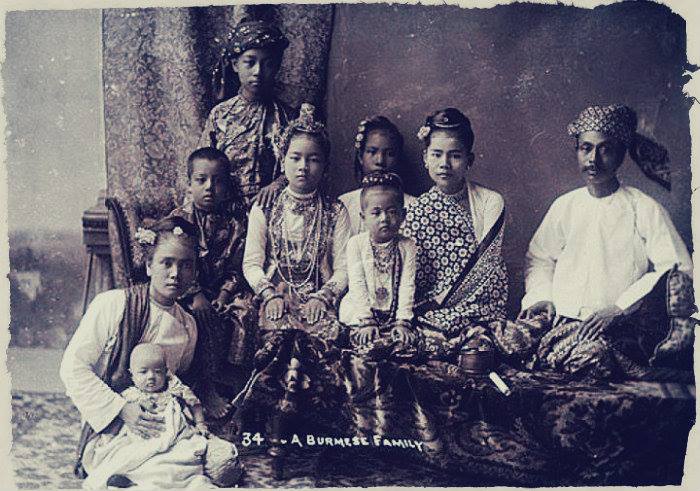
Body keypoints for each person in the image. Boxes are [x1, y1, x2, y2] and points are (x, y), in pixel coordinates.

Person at [518, 104, 695, 379]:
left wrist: (621, 307)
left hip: (616, 329)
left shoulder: (642, 207)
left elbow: (676, 268)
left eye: (606, 149)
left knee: (590, 359)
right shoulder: (566, 206)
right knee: (509, 343)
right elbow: (539, 257)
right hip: (561, 321)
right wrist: (543, 296)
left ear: (622, 154)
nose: (593, 160)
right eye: (586, 148)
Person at [240, 103, 350, 476]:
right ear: (282, 160)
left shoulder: (336, 212)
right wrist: (269, 294)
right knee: (280, 336)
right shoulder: (265, 206)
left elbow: (345, 267)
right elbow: (252, 262)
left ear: (325, 165)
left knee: (312, 341)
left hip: (317, 296)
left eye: (314, 159)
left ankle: (298, 441)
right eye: (296, 158)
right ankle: (274, 440)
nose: (304, 167)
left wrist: (325, 296)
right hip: (275, 294)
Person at [401, 108, 508, 360]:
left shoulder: (490, 201)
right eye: (436, 154)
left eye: (455, 156)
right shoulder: (416, 211)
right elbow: (413, 274)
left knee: (484, 347)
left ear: (469, 160)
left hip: (481, 308)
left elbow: (488, 268)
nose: (444, 164)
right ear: (425, 157)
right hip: (431, 311)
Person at [167, 147, 251, 419]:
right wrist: (196, 294)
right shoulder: (179, 220)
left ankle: (238, 384)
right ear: (189, 183)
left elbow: (239, 265)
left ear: (227, 185)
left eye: (218, 181)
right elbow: (176, 262)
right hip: (186, 291)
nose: (209, 188)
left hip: (224, 289)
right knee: (200, 315)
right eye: (201, 180)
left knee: (244, 312)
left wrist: (226, 294)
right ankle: (206, 387)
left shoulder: (237, 222)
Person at [337, 171, 419, 439]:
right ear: (363, 218)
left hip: (392, 312)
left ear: (403, 215)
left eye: (392, 212)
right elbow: (358, 284)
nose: (385, 219)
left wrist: (403, 321)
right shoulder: (356, 245)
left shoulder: (408, 246)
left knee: (403, 343)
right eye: (376, 213)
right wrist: (365, 319)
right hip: (360, 311)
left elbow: (407, 285)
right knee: (361, 339)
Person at [82, 343, 214, 489]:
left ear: (166, 372)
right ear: (132, 374)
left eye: (157, 372)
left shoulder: (174, 390)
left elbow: (194, 403)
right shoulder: (130, 395)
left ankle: (156, 479)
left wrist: (200, 423)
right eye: (143, 372)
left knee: (181, 456)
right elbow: (116, 416)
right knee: (128, 454)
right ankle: (131, 477)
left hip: (173, 435)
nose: (151, 377)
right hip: (140, 438)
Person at [200, 18, 293, 209]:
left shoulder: (288, 117)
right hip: (225, 211)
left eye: (267, 64)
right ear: (235, 65)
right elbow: (202, 165)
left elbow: (300, 164)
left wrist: (278, 184)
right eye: (249, 62)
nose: (258, 71)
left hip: (271, 210)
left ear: (276, 67)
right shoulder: (221, 115)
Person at [339, 116, 416, 236]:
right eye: (372, 152)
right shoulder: (344, 204)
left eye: (389, 154)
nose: (380, 161)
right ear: (360, 156)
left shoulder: (413, 206)